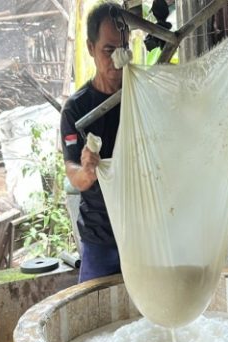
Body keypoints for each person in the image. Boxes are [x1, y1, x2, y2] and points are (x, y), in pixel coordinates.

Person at [61, 2, 128, 283]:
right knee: (95, 310)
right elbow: (73, 174)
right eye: (108, 50)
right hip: (101, 235)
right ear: (90, 48)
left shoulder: (141, 97)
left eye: (123, 49)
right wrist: (87, 170)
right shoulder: (77, 110)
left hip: (143, 230)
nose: (117, 59)